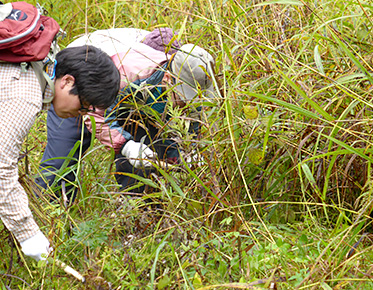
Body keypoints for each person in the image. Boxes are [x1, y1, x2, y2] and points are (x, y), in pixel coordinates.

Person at [35, 28, 216, 197]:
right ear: (168, 78)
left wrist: (187, 153)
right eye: (183, 96)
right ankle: (48, 211)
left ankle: (141, 214)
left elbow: (187, 128)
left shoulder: (191, 77)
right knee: (61, 162)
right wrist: (125, 145)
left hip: (130, 98)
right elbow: (95, 115)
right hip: (81, 79)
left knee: (144, 154)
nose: (186, 103)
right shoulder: (130, 74)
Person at [0, 45, 120, 261]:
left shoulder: (37, 66)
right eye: (83, 105)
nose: (81, 114)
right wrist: (28, 235)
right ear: (67, 81)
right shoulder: (26, 97)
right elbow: (1, 171)